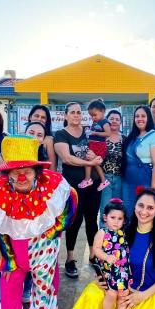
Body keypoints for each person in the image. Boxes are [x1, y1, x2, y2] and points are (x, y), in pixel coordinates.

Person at [0, 135, 77, 309]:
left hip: (44, 246)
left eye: (27, 169)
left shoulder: (53, 185)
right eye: (16, 171)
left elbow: (71, 200)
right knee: (9, 286)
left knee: (44, 285)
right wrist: (7, 258)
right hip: (12, 249)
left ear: (37, 171)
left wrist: (56, 228)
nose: (22, 175)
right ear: (8, 174)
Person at [54, 101, 102, 279]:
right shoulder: (60, 134)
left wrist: (95, 157)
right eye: (72, 112)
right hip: (73, 185)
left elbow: (99, 152)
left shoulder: (89, 133)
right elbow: (67, 159)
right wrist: (90, 162)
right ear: (66, 115)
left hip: (93, 183)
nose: (76, 115)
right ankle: (70, 258)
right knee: (74, 220)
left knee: (92, 220)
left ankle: (93, 255)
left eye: (78, 112)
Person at [90, 198, 131, 309]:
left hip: (124, 271)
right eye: (113, 217)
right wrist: (106, 257)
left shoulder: (123, 233)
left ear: (124, 220)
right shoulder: (102, 232)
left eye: (120, 218)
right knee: (112, 294)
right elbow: (96, 249)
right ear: (105, 217)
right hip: (110, 271)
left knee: (123, 296)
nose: (116, 221)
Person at [121, 106, 155, 214]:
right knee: (129, 214)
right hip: (128, 182)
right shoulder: (132, 137)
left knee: (144, 214)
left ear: (148, 118)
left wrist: (153, 190)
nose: (140, 119)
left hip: (146, 182)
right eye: (137, 116)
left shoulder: (154, 136)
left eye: (143, 116)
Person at [98, 109, 125, 215]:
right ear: (106, 121)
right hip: (104, 178)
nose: (114, 121)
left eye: (117, 119)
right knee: (105, 209)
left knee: (117, 209)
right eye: (112, 119)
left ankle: (116, 231)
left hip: (120, 178)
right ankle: (104, 231)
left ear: (120, 122)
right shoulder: (101, 137)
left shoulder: (125, 139)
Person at [81, 98, 111, 191]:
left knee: (91, 161)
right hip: (94, 144)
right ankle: (102, 180)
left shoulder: (104, 122)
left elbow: (108, 133)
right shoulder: (96, 122)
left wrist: (95, 133)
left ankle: (89, 179)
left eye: (94, 115)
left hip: (99, 145)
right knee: (93, 162)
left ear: (102, 111)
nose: (93, 117)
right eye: (91, 115)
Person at [27, 104, 58, 170]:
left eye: (43, 117)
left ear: (46, 121)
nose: (39, 119)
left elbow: (53, 165)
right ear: (30, 117)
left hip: (43, 177)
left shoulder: (49, 139)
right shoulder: (21, 136)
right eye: (36, 116)